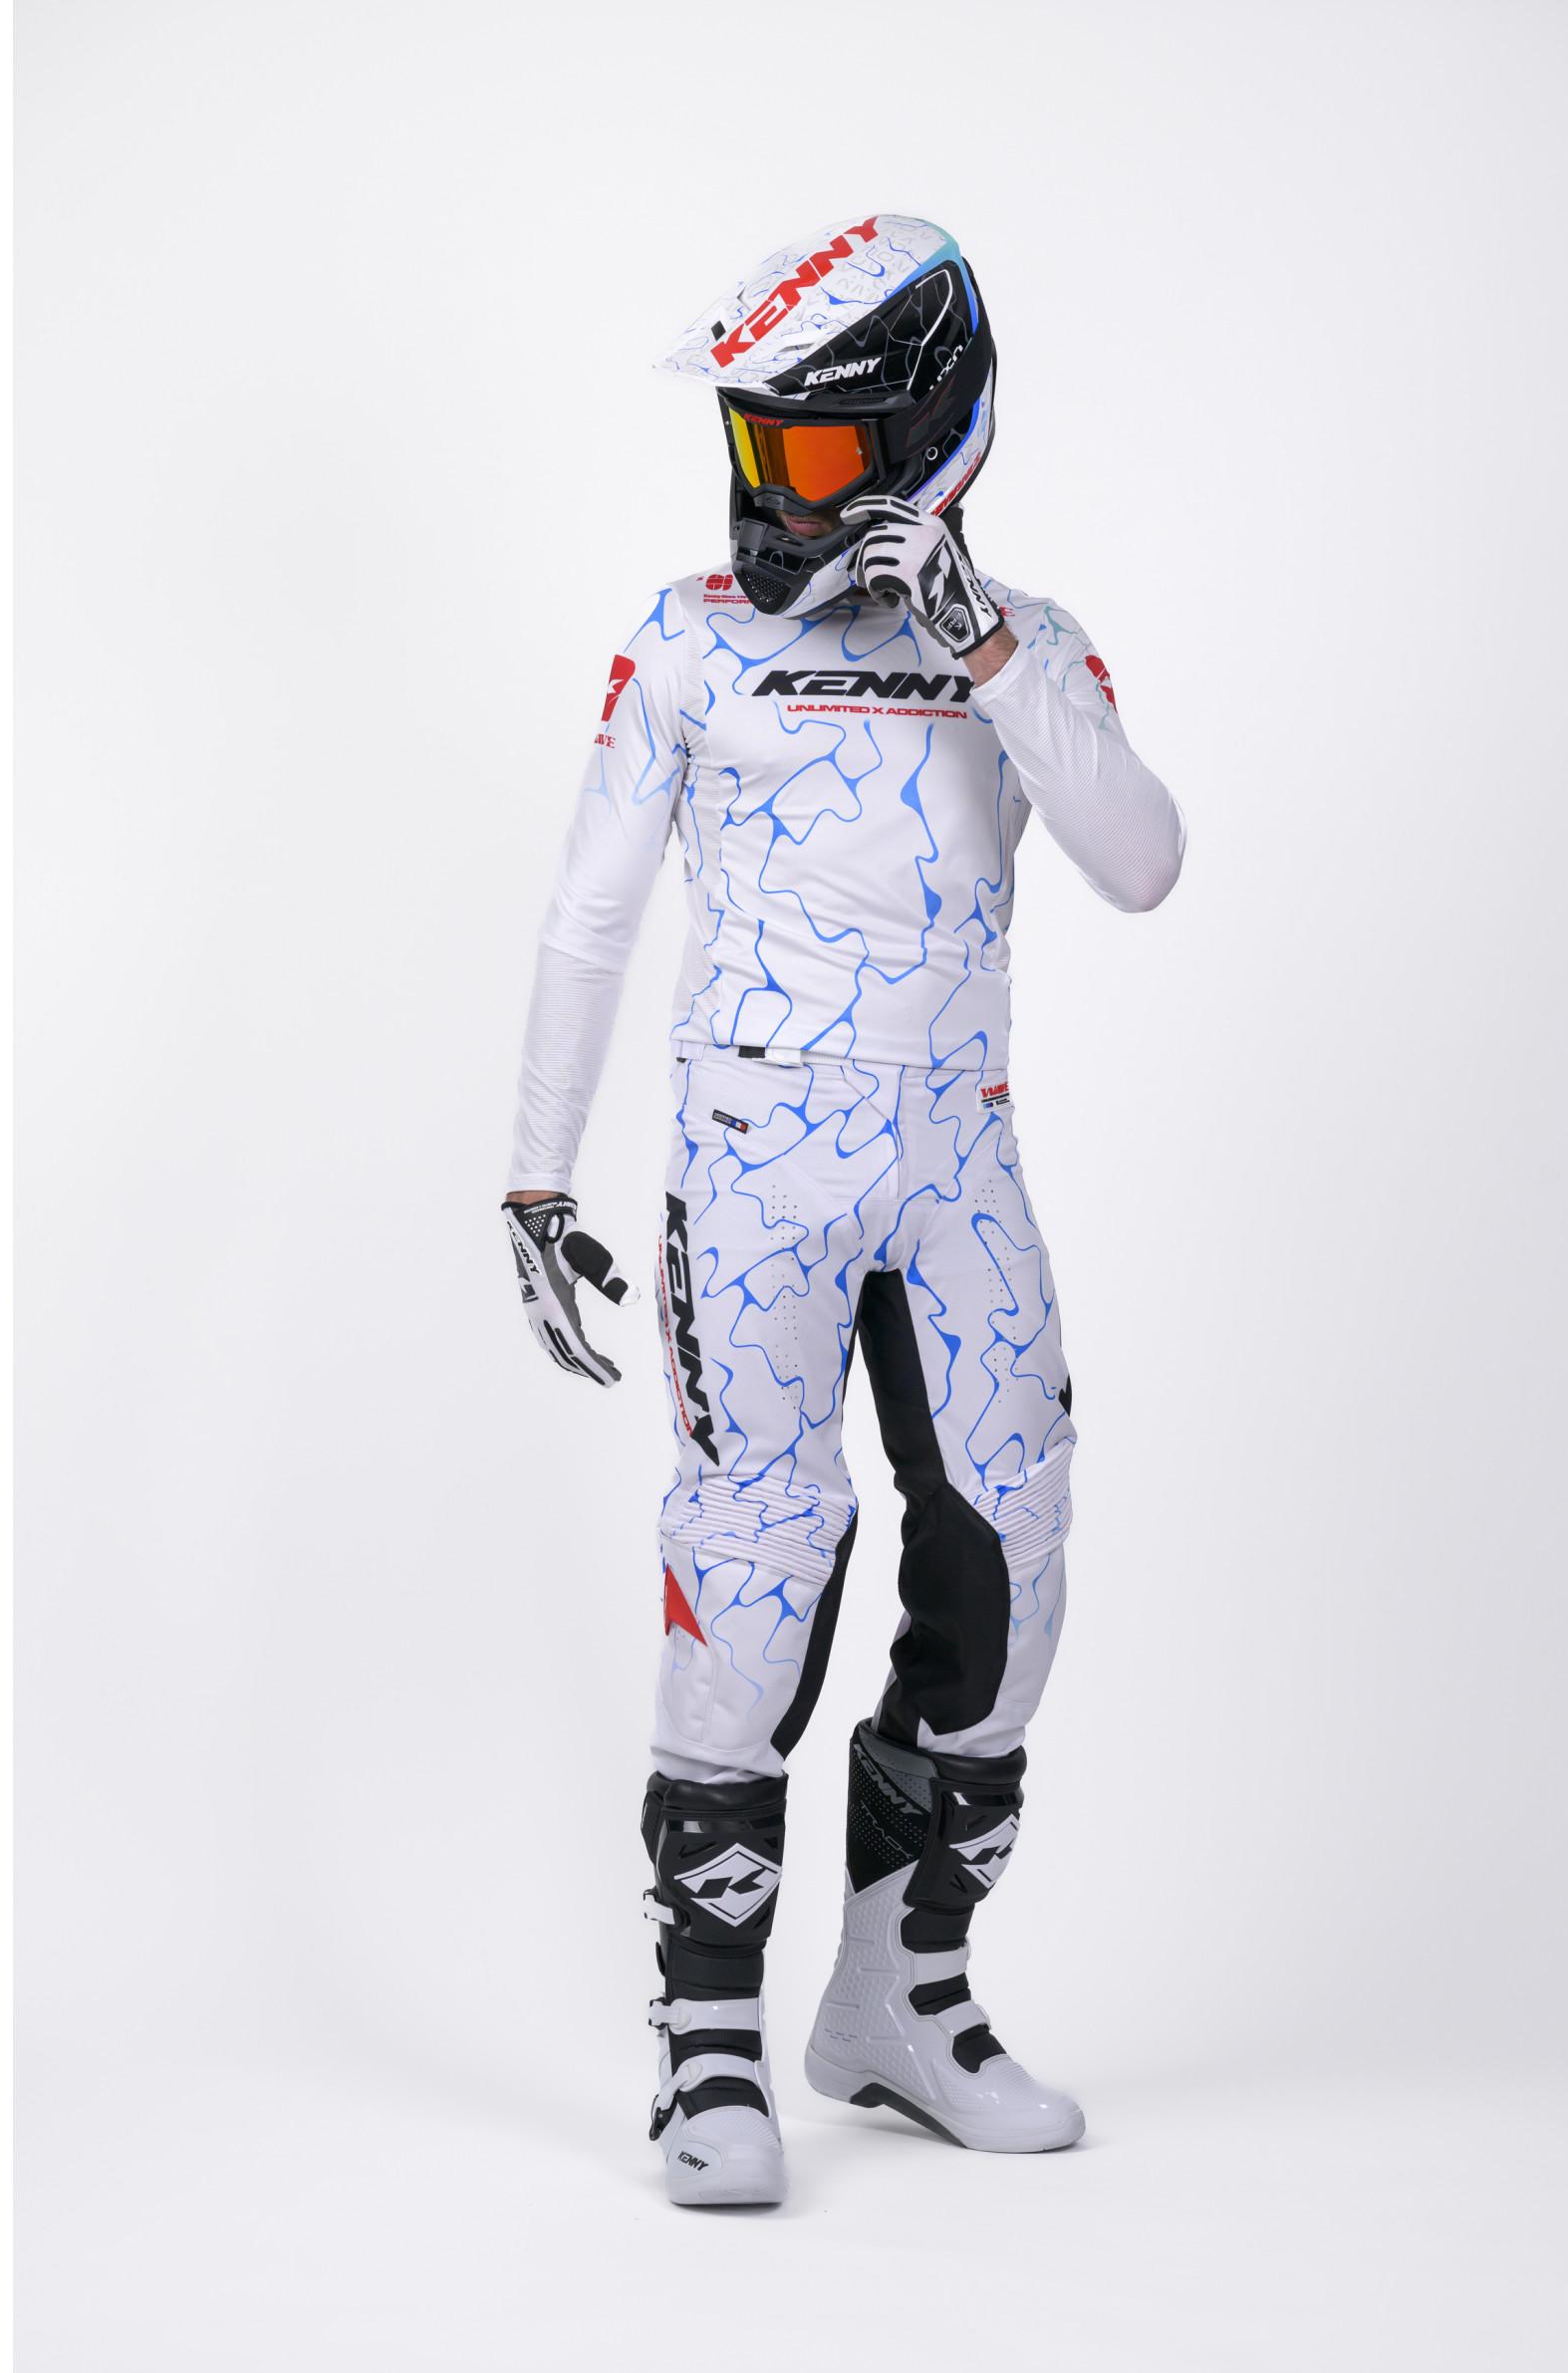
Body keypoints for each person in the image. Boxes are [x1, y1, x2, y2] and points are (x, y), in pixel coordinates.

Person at [501, 214, 1185, 2206]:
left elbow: (1144, 859)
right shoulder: (687, 637)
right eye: (751, 447)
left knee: (1013, 1560)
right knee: (755, 1562)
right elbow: (589, 914)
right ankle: (706, 2037)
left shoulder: (1028, 642)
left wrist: (989, 651)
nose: (769, 494)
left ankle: (902, 1997)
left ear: (923, 438)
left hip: (960, 1164)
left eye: (808, 453)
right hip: (758, 1166)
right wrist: (537, 1173)